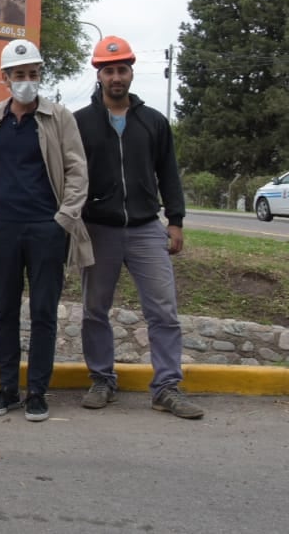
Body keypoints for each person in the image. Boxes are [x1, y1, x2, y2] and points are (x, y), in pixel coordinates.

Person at [74, 35, 203, 419]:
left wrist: (175, 221)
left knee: (163, 311)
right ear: (99, 75)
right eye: (109, 70)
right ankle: (102, 380)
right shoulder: (80, 122)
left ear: (131, 73)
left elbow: (169, 174)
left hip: (147, 228)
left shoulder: (154, 122)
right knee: (95, 310)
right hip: (99, 229)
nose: (116, 76)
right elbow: (71, 177)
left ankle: (166, 387)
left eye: (122, 69)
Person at [0, 39, 92, 423]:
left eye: (33, 74)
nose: (27, 81)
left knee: (43, 312)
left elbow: (77, 170)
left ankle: (38, 392)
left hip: (46, 228)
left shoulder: (59, 117)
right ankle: (8, 387)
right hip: (5, 229)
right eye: (19, 75)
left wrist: (63, 218)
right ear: (5, 78)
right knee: (4, 311)